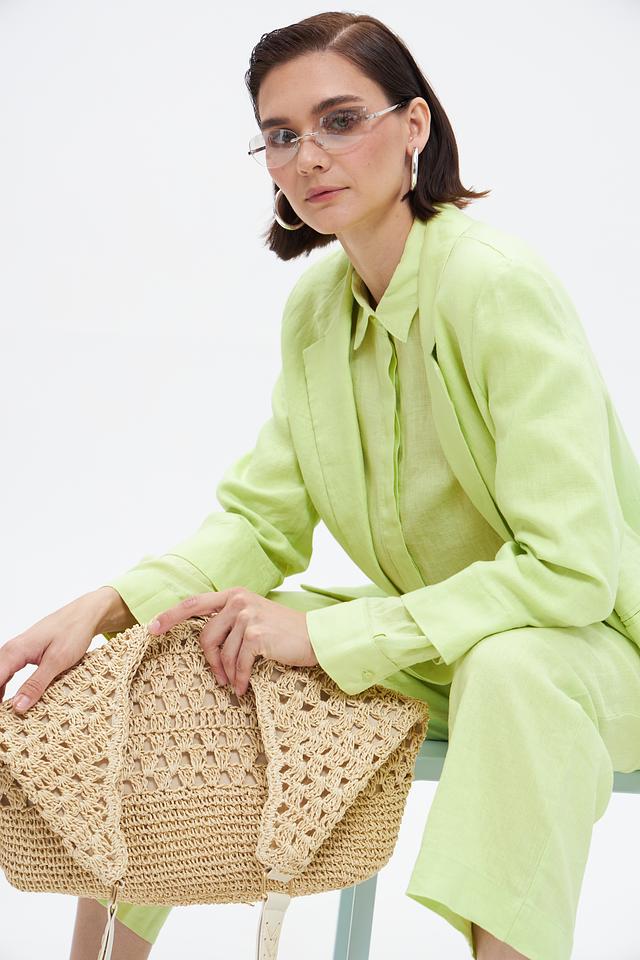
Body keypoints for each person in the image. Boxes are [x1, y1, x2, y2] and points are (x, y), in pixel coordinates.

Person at [3, 10, 640, 960]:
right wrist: (106, 608)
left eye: (341, 121)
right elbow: (261, 520)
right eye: (281, 134)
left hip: (592, 651)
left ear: (414, 126)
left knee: (513, 670)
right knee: (196, 644)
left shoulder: (495, 286)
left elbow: (572, 569)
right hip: (437, 644)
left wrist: (332, 636)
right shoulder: (315, 309)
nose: (308, 157)